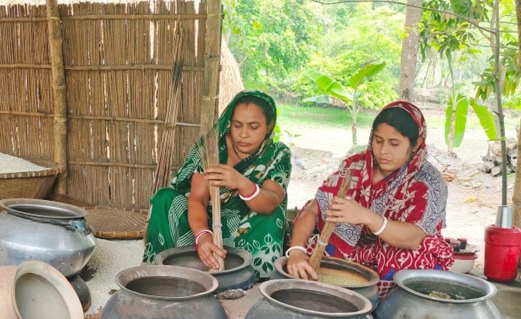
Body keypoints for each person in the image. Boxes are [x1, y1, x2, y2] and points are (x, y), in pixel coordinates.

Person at [286, 101, 453, 297]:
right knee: (314, 248)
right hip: (354, 250)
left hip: (397, 249)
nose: (383, 151)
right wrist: (296, 251)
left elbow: (414, 238)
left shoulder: (427, 182)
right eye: (378, 140)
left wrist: (366, 217)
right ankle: (336, 292)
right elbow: (314, 209)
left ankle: (390, 304)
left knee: (408, 259)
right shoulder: (355, 166)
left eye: (394, 143)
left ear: (415, 144)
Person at [143, 90, 292, 279]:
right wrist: (203, 235)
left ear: (269, 126)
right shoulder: (212, 147)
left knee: (272, 216)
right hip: (200, 222)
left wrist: (241, 183)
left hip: (244, 228)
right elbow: (197, 198)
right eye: (237, 125)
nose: (244, 134)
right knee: (164, 198)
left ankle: (251, 281)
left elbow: (270, 201)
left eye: (253, 127)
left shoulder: (277, 154)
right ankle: (163, 274)